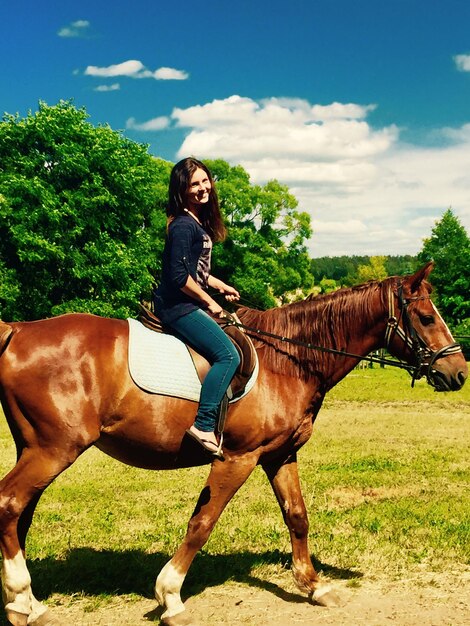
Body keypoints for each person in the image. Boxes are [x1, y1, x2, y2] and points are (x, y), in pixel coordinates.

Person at [153, 157, 241, 460]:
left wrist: (219, 285)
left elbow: (193, 270)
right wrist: (209, 302)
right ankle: (204, 426)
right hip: (178, 306)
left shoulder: (194, 222)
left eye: (205, 181)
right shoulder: (182, 226)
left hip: (188, 300)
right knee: (229, 355)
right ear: (182, 189)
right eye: (195, 184)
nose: (203, 188)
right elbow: (178, 278)